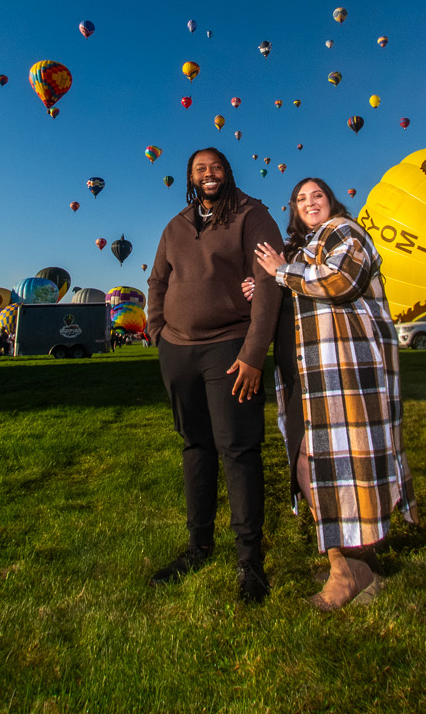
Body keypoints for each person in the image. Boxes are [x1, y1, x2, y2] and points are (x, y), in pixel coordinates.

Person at [253, 178, 419, 611]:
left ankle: (346, 569)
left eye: (317, 196)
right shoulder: (304, 248)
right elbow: (298, 288)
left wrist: (279, 273)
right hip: (303, 371)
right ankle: (354, 558)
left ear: (332, 202)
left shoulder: (345, 231)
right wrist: (267, 287)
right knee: (311, 461)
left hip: (338, 370)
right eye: (301, 198)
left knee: (325, 461)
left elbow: (340, 280)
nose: (309, 203)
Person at [145, 147, 284, 604]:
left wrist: (254, 352)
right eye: (200, 169)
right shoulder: (177, 225)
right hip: (179, 351)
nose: (209, 174)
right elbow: (157, 280)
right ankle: (198, 546)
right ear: (190, 177)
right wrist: (157, 330)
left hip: (231, 347)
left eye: (216, 167)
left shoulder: (251, 215)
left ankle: (250, 561)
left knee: (239, 450)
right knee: (195, 447)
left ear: (228, 172)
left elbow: (267, 282)